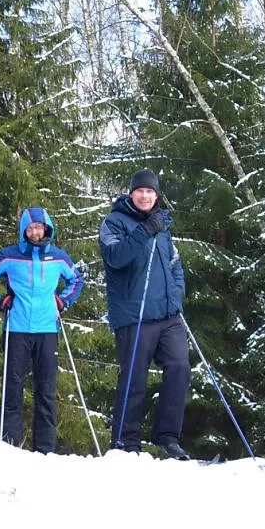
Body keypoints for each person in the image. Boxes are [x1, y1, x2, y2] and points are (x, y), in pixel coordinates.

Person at [0, 206, 85, 453]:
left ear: (47, 228)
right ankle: (11, 447)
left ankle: (45, 450)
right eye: (30, 228)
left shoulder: (58, 257)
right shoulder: (9, 256)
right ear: (24, 231)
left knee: (46, 390)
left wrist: (63, 300)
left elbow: (77, 280)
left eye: (39, 227)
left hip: (47, 330)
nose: (35, 232)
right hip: (17, 329)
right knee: (13, 388)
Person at [99, 169, 192, 461]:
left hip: (168, 314)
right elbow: (115, 257)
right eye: (139, 191)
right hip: (133, 314)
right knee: (134, 378)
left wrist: (177, 293)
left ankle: (168, 437)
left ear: (156, 195)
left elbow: (175, 263)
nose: (144, 195)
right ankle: (126, 441)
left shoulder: (162, 225)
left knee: (179, 368)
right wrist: (144, 231)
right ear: (131, 193)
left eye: (150, 192)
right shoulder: (114, 222)